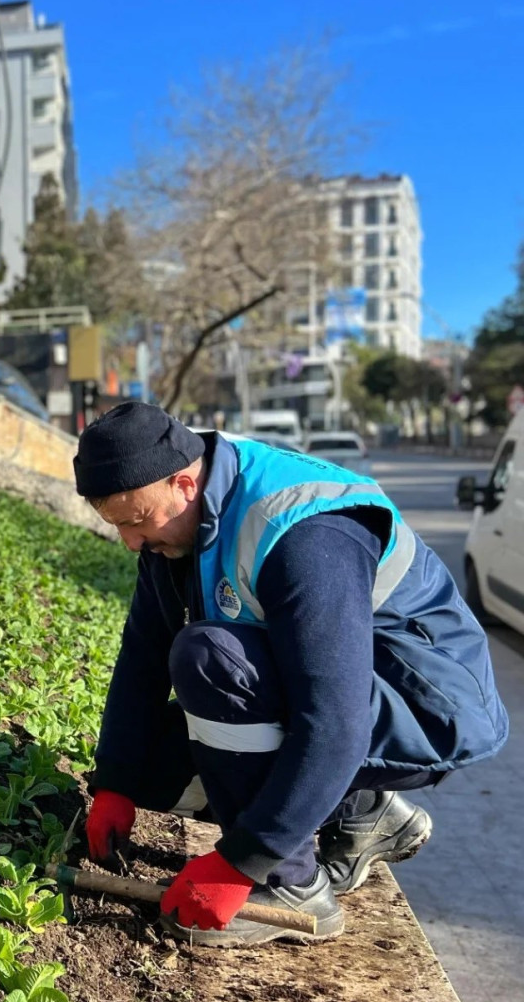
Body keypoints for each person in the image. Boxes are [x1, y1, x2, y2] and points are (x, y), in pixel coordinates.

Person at [74, 402, 507, 946]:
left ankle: (289, 884)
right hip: (348, 697)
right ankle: (360, 813)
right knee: (149, 763)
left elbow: (335, 724)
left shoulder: (303, 534)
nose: (131, 543)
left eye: (136, 522)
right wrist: (116, 783)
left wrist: (242, 863)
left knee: (210, 658)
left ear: (185, 483)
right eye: (117, 526)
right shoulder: (176, 523)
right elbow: (142, 654)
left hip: (428, 705)